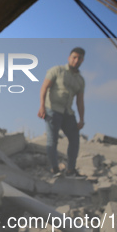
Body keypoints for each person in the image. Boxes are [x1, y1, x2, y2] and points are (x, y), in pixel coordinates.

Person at [37, 47, 86, 177]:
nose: (76, 60)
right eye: (74, 57)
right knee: (52, 140)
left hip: (68, 112)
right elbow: (44, 87)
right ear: (69, 58)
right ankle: (54, 168)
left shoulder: (80, 80)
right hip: (52, 109)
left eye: (79, 58)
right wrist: (42, 106)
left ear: (82, 60)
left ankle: (70, 170)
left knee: (74, 140)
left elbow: (80, 101)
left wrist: (81, 119)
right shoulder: (57, 70)